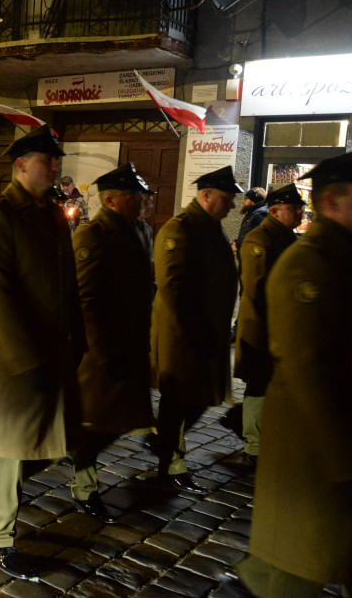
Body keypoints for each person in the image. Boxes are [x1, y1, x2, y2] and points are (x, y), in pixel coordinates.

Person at [231, 147, 352, 598]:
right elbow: (309, 370)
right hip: (316, 452)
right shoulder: (310, 261)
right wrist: (349, 465)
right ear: (332, 201)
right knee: (298, 565)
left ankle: (254, 578)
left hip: (346, 444)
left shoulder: (351, 257)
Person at [0, 126, 85, 581]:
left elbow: (66, 281)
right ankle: (0, 537)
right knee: (12, 447)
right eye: (45, 159)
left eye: (57, 160)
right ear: (20, 165)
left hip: (51, 346)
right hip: (9, 353)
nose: (54, 167)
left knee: (51, 440)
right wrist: (25, 360)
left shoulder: (53, 213)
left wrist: (78, 331)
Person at [69, 162, 155, 522]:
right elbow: (85, 298)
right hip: (101, 348)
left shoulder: (140, 230)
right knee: (95, 421)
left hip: (130, 343)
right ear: (109, 199)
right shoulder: (92, 236)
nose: (141, 200)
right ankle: (82, 486)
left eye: (141, 194)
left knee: (112, 419)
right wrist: (101, 350)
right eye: (132, 195)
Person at [152, 165, 240, 494]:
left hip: (206, 333)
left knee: (199, 398)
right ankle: (171, 464)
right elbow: (173, 289)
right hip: (183, 336)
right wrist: (196, 334)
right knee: (179, 401)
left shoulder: (209, 226)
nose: (231, 204)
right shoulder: (181, 229)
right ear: (205, 195)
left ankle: (163, 444)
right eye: (226, 198)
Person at [232, 183, 305, 466]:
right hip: (262, 328)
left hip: (280, 329)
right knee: (259, 387)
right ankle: (253, 446)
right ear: (275, 211)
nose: (300, 212)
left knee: (271, 387)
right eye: (294, 208)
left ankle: (259, 436)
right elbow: (257, 289)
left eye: (301, 208)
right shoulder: (259, 240)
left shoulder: (286, 237)